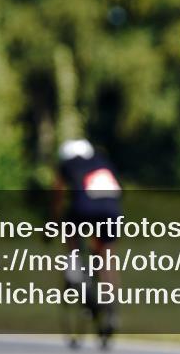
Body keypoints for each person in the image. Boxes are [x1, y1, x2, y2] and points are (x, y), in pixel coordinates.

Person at [54, 138, 123, 341]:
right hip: (111, 209)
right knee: (106, 255)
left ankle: (73, 265)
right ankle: (111, 309)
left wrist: (54, 221)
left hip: (84, 208)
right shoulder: (102, 161)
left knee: (70, 227)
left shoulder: (68, 163)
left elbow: (57, 193)